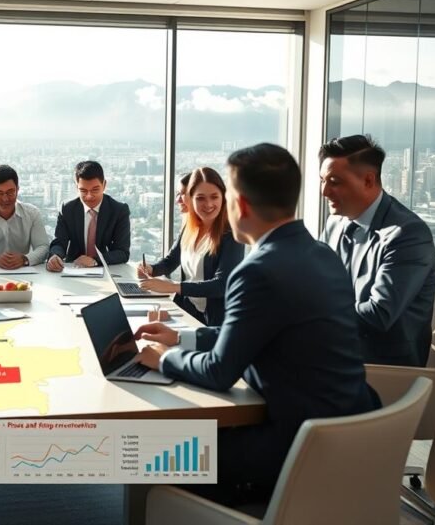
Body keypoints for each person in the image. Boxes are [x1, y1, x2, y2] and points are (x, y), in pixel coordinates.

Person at [133, 144, 379, 503]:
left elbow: (219, 370)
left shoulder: (257, 271)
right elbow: (257, 332)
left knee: (146, 450)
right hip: (350, 427)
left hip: (296, 444)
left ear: (241, 205)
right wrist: (181, 338)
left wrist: (162, 358)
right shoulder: (322, 254)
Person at [319, 135, 435, 367]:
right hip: (336, 350)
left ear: (368, 180)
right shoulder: (336, 222)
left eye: (334, 181)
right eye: (322, 180)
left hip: (381, 365)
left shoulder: (408, 234)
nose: (324, 191)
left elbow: (378, 314)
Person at [137, 167, 244, 326]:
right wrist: (151, 269)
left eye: (214, 197)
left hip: (216, 322)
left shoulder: (232, 235)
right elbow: (171, 261)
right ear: (191, 199)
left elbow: (221, 285)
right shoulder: (190, 226)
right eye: (200, 198)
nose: (208, 204)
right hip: (189, 311)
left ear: (224, 197)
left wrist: (173, 287)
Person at [46, 160, 130, 271]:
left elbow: (122, 252)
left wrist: (95, 260)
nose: (89, 196)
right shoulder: (67, 209)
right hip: (73, 268)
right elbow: (59, 242)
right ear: (77, 187)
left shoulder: (119, 210)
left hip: (106, 269)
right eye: (83, 191)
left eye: (95, 190)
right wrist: (55, 256)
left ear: (104, 185)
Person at [0, 164, 49, 269]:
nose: (5, 199)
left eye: (10, 192)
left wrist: (25, 259)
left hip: (23, 272)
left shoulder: (32, 214)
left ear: (17, 190)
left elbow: (43, 247)